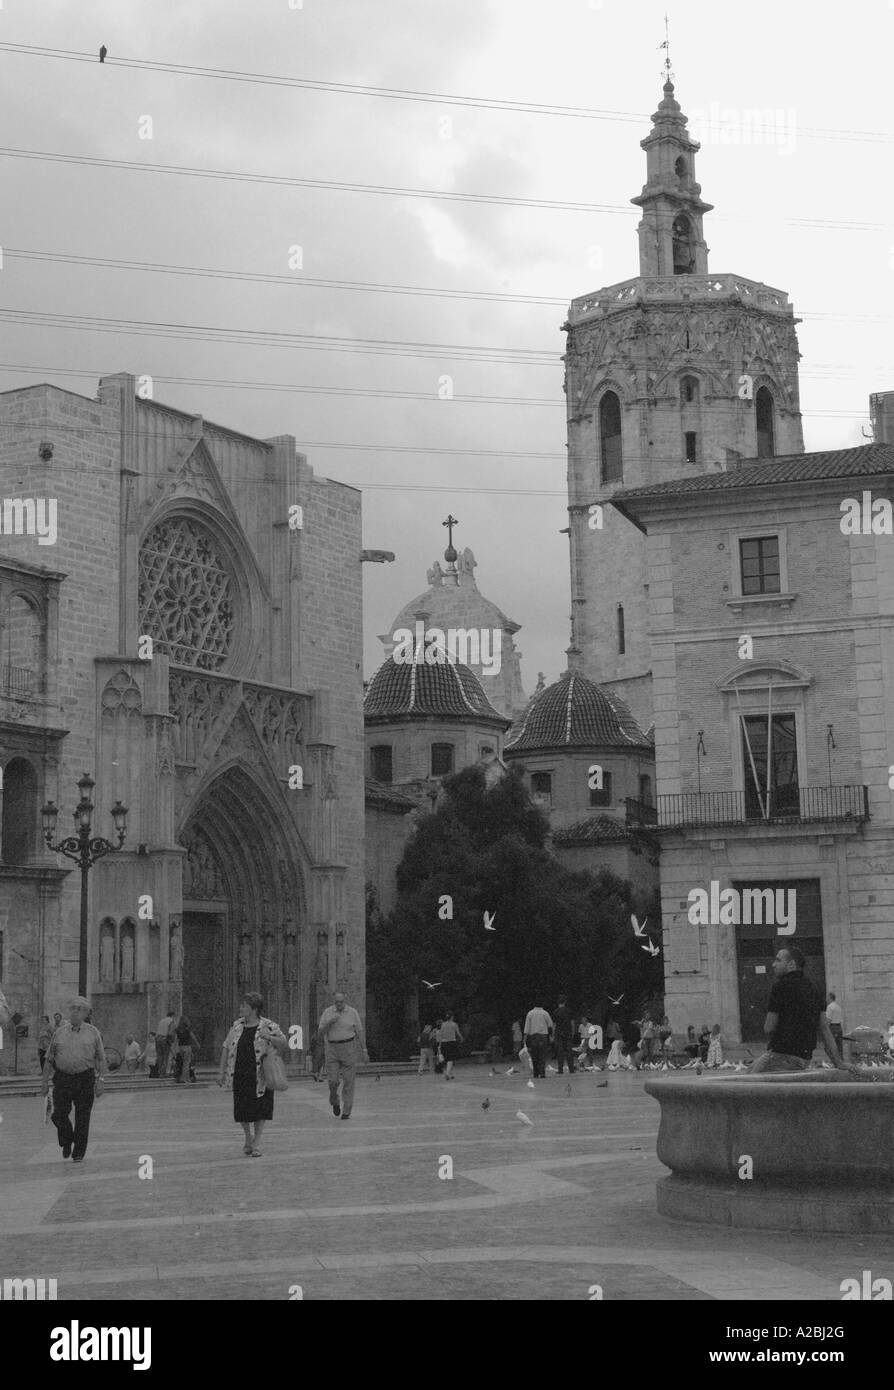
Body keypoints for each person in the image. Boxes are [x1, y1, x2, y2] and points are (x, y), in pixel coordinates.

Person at [750, 946, 850, 1074]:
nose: (773, 964)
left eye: (778, 960)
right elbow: (825, 1029)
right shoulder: (814, 988)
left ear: (791, 964)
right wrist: (838, 1063)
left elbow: (768, 1027)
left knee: (741, 1087)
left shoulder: (780, 987)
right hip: (803, 1058)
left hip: (781, 1056)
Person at [218, 991, 288, 1156]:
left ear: (254, 1009)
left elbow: (284, 1044)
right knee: (242, 1109)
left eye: (244, 1006)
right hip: (240, 1072)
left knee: (260, 1109)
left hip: (261, 1074)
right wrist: (221, 1072)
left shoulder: (269, 1025)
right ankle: (248, 1137)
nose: (241, 1008)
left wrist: (269, 1037)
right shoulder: (237, 1026)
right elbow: (226, 1047)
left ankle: (256, 1142)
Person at [41, 997, 107, 1163]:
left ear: (86, 1013)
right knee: (58, 1115)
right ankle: (67, 1139)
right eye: (73, 1008)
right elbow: (49, 1058)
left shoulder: (93, 1032)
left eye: (79, 1008)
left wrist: (101, 1080)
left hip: (85, 1078)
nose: (75, 1011)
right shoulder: (59, 1032)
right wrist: (44, 1082)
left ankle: (78, 1152)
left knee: (83, 1117)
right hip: (63, 1078)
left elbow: (100, 1058)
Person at [318, 990, 368, 1120]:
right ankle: (334, 1100)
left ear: (345, 1001)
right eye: (336, 1002)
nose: (339, 1004)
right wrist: (329, 1022)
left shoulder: (352, 1012)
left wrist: (364, 1050)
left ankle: (346, 1110)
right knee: (333, 1081)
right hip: (332, 1048)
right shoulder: (328, 1012)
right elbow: (320, 1032)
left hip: (349, 1047)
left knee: (349, 1081)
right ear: (334, 1002)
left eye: (341, 1002)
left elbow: (359, 1032)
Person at [523, 1002, 554, 1079]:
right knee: (542, 1055)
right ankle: (542, 1073)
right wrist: (551, 1036)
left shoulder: (530, 1013)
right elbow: (550, 1025)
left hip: (533, 1037)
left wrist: (525, 1038)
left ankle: (536, 1073)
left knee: (534, 1055)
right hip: (543, 1037)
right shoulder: (545, 1013)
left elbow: (527, 1027)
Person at [553, 995, 576, 1075]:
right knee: (569, 1051)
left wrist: (553, 1035)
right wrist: (573, 1032)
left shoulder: (555, 1012)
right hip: (568, 1033)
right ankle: (571, 1069)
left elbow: (554, 1025)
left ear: (558, 1002)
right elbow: (572, 1023)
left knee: (560, 1052)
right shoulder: (569, 1011)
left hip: (559, 1033)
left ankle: (560, 1069)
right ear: (565, 1002)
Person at [173, 1014, 199, 1083]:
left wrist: (175, 1049)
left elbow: (175, 1039)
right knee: (186, 1064)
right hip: (187, 1047)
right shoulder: (187, 1029)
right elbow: (193, 1037)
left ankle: (183, 1078)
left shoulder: (177, 1029)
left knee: (182, 1063)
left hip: (180, 1047)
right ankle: (185, 1079)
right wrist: (197, 1044)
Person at [437, 1011, 463, 1080]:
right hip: (451, 1042)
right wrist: (461, 1038)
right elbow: (458, 1033)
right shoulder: (454, 1024)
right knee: (451, 1059)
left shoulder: (443, 1024)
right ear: (452, 1017)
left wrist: (439, 1045)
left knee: (447, 1059)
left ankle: (451, 1074)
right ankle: (447, 1074)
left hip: (444, 1042)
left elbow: (440, 1035)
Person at [155, 1006, 175, 1078]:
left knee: (160, 1056)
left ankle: (159, 1072)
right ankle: (163, 1073)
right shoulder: (171, 1021)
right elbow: (170, 1033)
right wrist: (171, 1041)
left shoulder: (162, 1020)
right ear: (172, 1016)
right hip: (164, 1039)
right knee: (165, 1057)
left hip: (157, 1039)